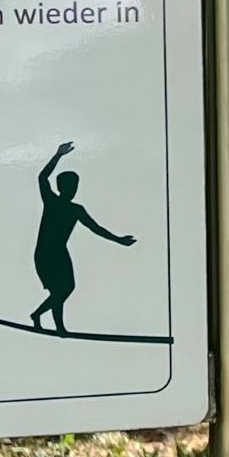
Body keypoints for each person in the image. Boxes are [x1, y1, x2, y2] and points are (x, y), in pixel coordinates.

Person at [31, 140, 135, 332]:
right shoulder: (51, 201)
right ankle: (51, 322)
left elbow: (96, 229)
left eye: (75, 186)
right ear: (62, 187)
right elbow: (42, 177)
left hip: (60, 253)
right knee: (60, 289)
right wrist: (58, 155)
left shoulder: (76, 210)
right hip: (46, 253)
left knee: (66, 288)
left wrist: (119, 240)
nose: (73, 190)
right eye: (70, 186)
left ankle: (45, 319)